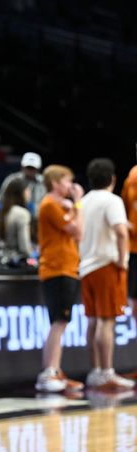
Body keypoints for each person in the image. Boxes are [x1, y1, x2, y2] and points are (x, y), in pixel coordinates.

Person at [79, 158, 135, 391]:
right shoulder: (112, 201)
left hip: (86, 266)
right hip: (106, 265)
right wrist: (123, 260)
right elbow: (121, 232)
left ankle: (95, 371)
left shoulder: (83, 202)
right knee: (106, 321)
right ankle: (107, 372)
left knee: (93, 321)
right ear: (112, 178)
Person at [34, 164, 85, 393]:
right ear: (55, 183)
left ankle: (55, 371)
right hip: (56, 269)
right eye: (66, 181)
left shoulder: (59, 206)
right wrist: (78, 203)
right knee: (58, 322)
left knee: (61, 323)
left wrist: (72, 206)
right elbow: (78, 230)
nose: (70, 185)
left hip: (67, 268)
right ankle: (48, 373)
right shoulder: (49, 205)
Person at [0, 151, 46, 218]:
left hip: (38, 218)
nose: (30, 170)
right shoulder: (12, 179)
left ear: (38, 168)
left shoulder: (44, 182)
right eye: (28, 167)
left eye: (33, 168)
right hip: (14, 216)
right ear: (22, 166)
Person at [0, 177, 34, 258]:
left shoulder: (5, 210)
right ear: (21, 193)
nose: (29, 194)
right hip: (18, 262)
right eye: (27, 190)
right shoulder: (22, 213)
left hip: (5, 257)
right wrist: (32, 258)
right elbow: (24, 247)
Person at [120, 164, 137, 323]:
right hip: (133, 248)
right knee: (133, 296)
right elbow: (123, 210)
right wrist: (126, 223)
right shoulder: (131, 178)